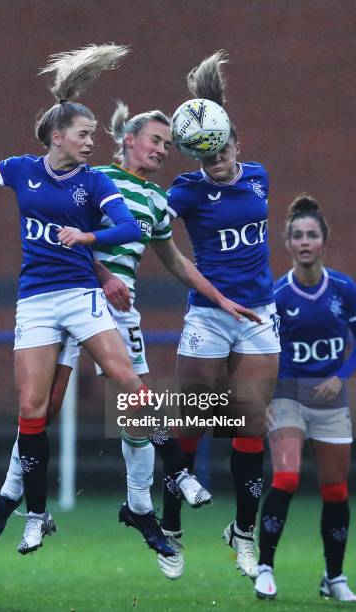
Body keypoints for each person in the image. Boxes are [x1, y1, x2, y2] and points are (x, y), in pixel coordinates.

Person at [0, 44, 205, 557]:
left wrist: (89, 240)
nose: (92, 142)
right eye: (84, 134)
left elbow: (123, 227)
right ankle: (33, 513)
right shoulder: (20, 170)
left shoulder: (94, 181)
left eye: (95, 134)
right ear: (58, 137)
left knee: (127, 380)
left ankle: (178, 474)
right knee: (33, 409)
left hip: (81, 295)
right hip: (35, 301)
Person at [0, 101, 260, 574]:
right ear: (128, 139)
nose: (163, 151)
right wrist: (104, 273)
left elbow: (175, 261)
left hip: (122, 312)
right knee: (42, 408)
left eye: (170, 145)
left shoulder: (154, 199)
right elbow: (59, 236)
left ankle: (139, 510)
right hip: (76, 294)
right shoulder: (92, 178)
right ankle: (11, 497)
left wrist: (221, 298)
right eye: (155, 140)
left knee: (133, 414)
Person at [164, 50, 280, 580]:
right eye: (205, 158)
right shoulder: (186, 190)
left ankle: (242, 533)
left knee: (251, 423)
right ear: (194, 157)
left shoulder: (258, 177)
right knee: (191, 413)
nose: (217, 163)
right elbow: (152, 227)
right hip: (208, 314)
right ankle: (169, 524)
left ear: (237, 142)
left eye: (223, 151)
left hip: (257, 314)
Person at [254, 196, 356, 601]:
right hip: (287, 397)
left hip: (331, 400)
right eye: (297, 235)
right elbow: (262, 354)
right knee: (287, 477)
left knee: (335, 489)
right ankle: (264, 568)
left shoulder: (345, 289)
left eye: (312, 234)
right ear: (288, 243)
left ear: (324, 241)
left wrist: (341, 375)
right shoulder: (278, 296)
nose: (305, 241)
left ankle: (334, 577)